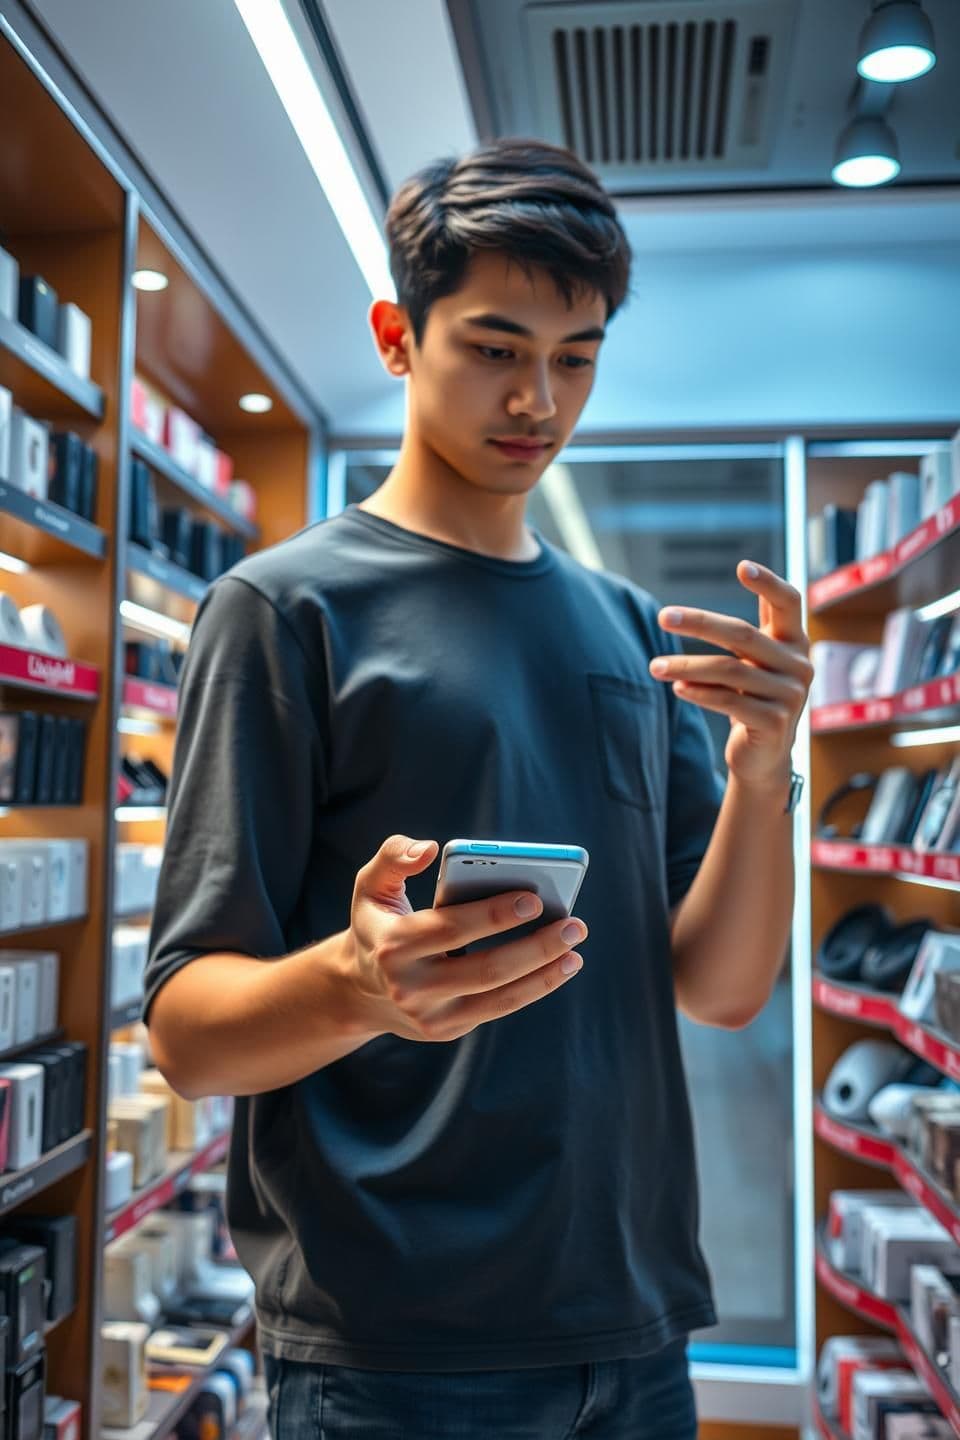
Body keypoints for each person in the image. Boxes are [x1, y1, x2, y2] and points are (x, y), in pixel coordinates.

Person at [145, 138, 812, 1439]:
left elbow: (723, 989)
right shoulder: (283, 611)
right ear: (400, 337)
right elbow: (187, 1030)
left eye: (576, 357)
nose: (539, 401)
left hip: (634, 1334)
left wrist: (765, 770)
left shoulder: (630, 629)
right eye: (496, 348)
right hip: (393, 1354)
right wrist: (357, 980)